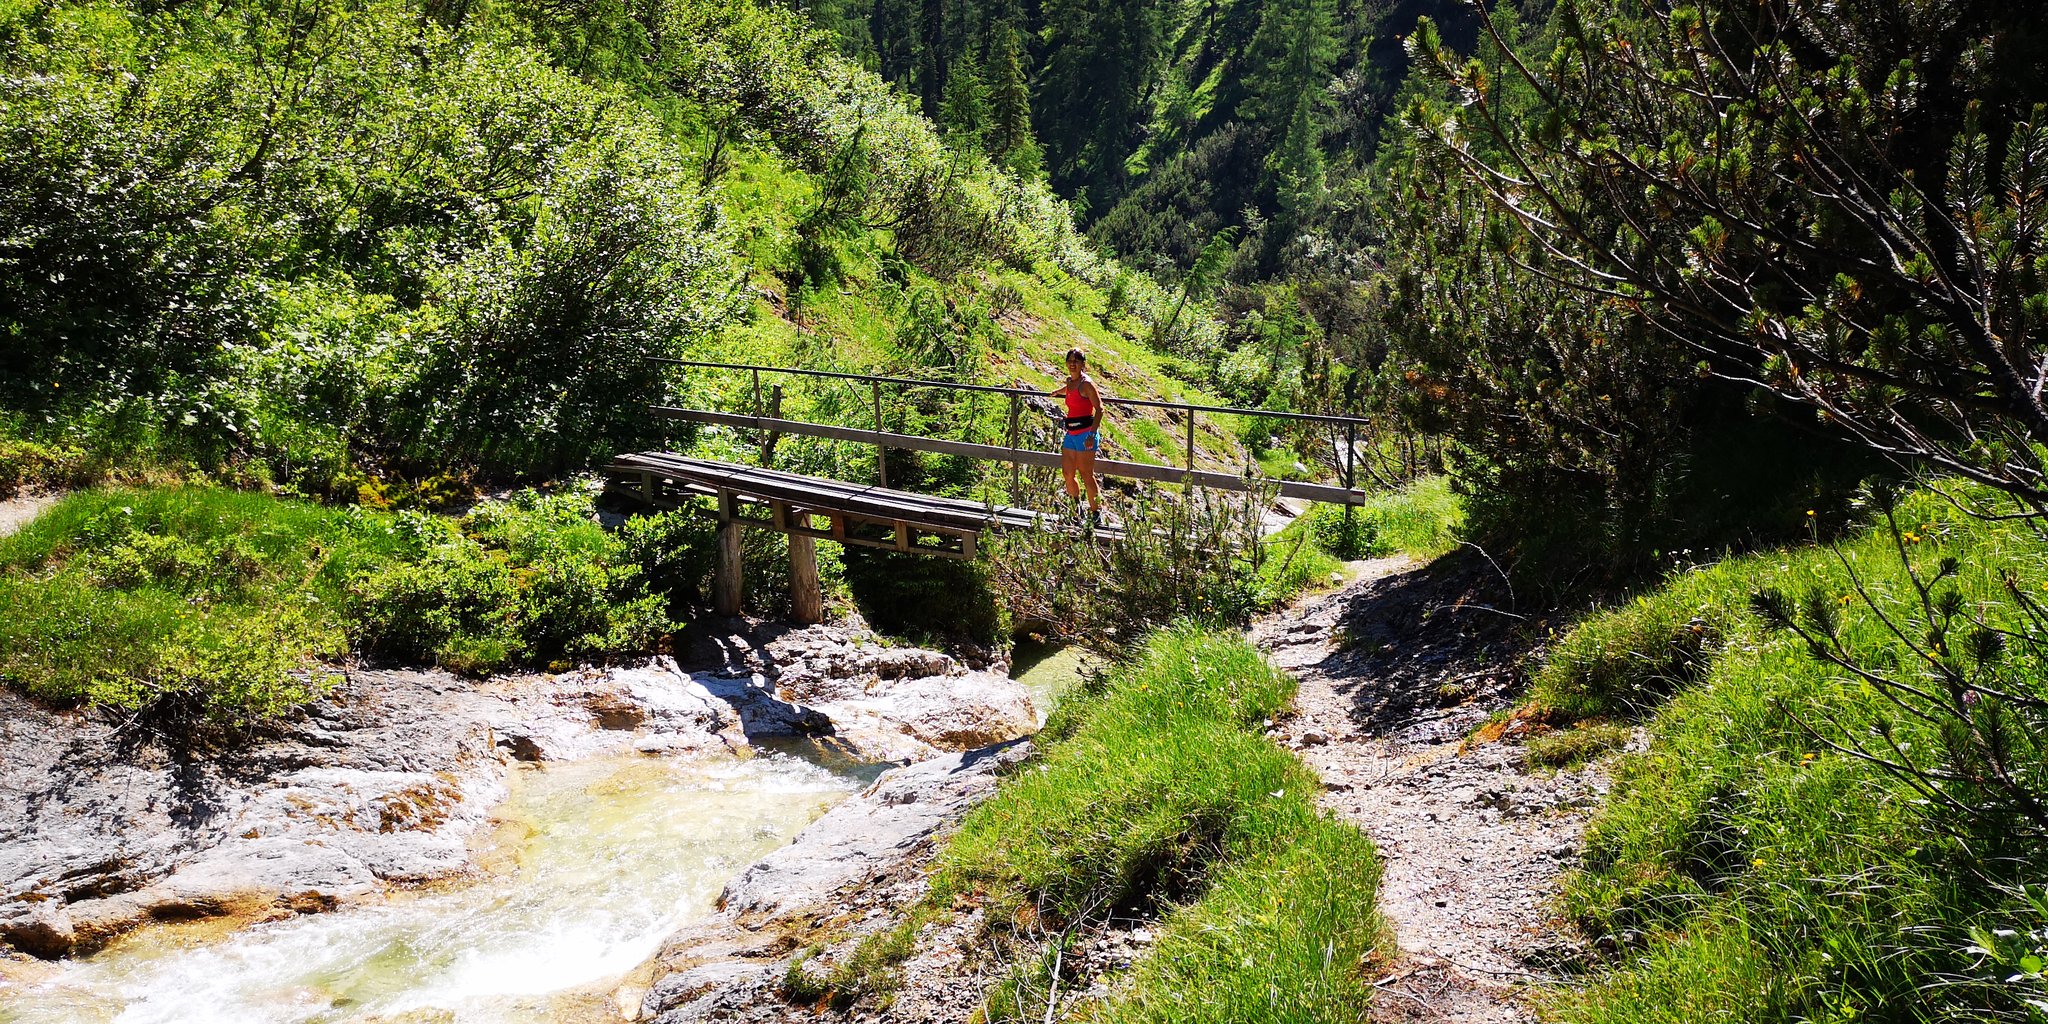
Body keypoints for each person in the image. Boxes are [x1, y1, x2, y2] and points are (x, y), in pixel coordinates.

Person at [1051, 348, 1104, 522]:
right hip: (1071, 433)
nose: (1073, 364)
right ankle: (1076, 509)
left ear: (1083, 364)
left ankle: (1096, 513)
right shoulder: (1070, 382)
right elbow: (1069, 390)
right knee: (1067, 473)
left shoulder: (1086, 384)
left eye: (1077, 361)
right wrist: (1056, 393)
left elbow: (1100, 410)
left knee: (1086, 474)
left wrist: (1092, 434)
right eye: (1070, 360)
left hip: (1085, 434)